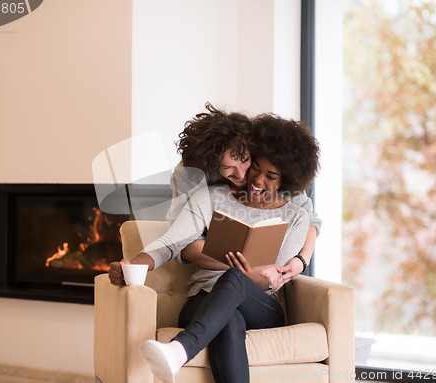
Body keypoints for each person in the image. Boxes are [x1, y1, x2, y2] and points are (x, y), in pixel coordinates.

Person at [129, 114, 321, 383]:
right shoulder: (208, 196)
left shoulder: (295, 215)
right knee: (229, 320)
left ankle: (179, 350)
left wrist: (299, 260)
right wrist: (134, 263)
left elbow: (271, 281)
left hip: (261, 305)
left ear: (287, 180)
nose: (252, 178)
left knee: (236, 277)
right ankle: (176, 352)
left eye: (271, 175)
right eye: (255, 168)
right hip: (202, 300)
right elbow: (173, 242)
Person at [108, 103, 321, 285]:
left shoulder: (267, 167)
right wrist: (248, 265)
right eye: (227, 167)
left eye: (246, 160)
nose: (243, 174)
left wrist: (301, 260)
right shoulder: (190, 178)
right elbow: (181, 243)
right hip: (212, 277)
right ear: (210, 165)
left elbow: (308, 218)